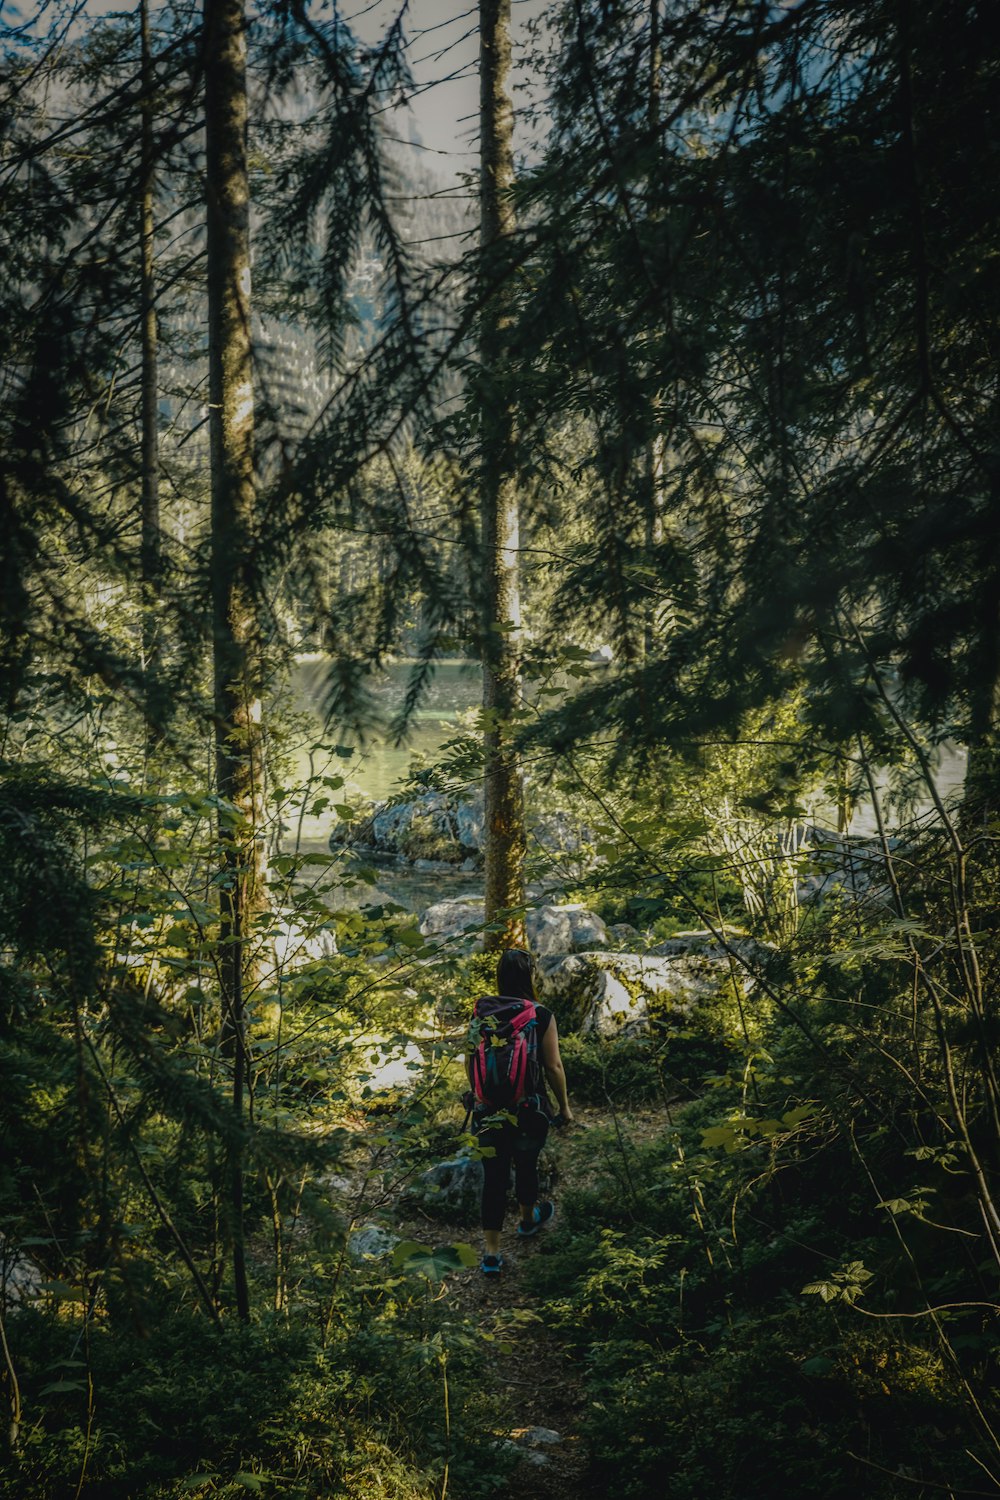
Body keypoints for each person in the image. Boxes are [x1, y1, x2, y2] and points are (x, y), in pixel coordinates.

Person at [466, 947, 574, 1276]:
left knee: (493, 1178)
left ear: (499, 976)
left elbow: (471, 1062)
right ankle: (527, 1222)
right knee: (527, 1166)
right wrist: (565, 1108)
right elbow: (553, 1066)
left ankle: (491, 1254)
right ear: (530, 976)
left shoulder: (480, 1011)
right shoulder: (540, 1014)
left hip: (487, 1112)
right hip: (529, 1108)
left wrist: (480, 1097)